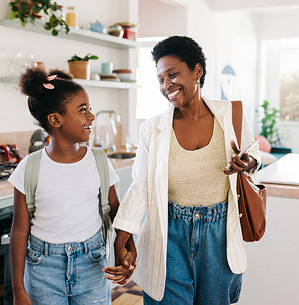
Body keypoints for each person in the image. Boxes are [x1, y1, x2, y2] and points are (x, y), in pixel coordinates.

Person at [112, 36, 261, 305]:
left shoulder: (231, 115)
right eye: (160, 79)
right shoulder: (152, 129)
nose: (167, 85)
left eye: (173, 74)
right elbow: (141, 185)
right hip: (168, 234)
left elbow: (253, 157)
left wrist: (248, 163)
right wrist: (122, 234)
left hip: (220, 236)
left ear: (197, 71)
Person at [8, 67, 136, 305]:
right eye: (82, 110)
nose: (91, 116)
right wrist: (19, 290)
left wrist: (127, 247)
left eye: (89, 109)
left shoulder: (99, 161)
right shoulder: (29, 168)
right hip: (42, 269)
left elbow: (116, 211)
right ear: (55, 120)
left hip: (92, 264)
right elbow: (18, 232)